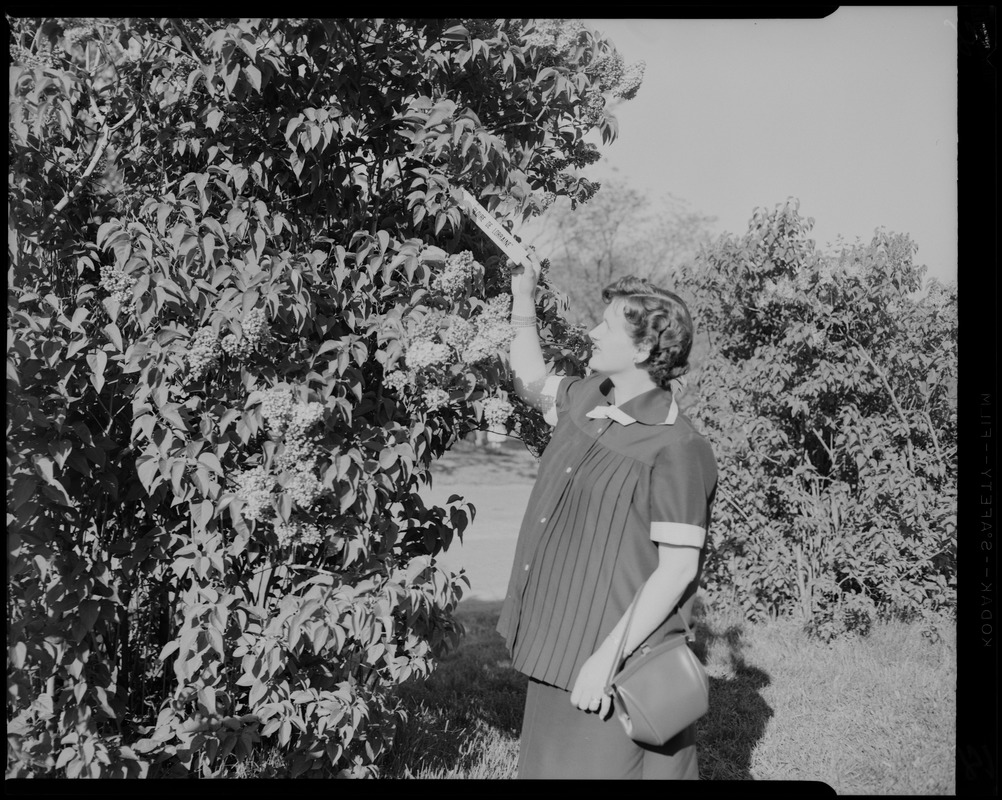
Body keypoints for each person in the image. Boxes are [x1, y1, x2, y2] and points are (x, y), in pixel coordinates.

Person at [498, 253, 718, 780]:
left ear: (643, 348)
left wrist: (604, 660)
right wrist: (523, 298)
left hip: (614, 666)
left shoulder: (678, 446)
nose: (592, 332)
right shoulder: (587, 398)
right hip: (557, 645)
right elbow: (530, 380)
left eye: (607, 325)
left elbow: (678, 570)